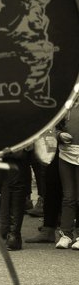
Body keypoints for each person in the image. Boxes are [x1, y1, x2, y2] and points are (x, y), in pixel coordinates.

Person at [55, 104, 79, 250]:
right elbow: (53, 128)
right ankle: (66, 234)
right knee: (68, 196)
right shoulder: (66, 105)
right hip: (65, 155)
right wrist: (59, 135)